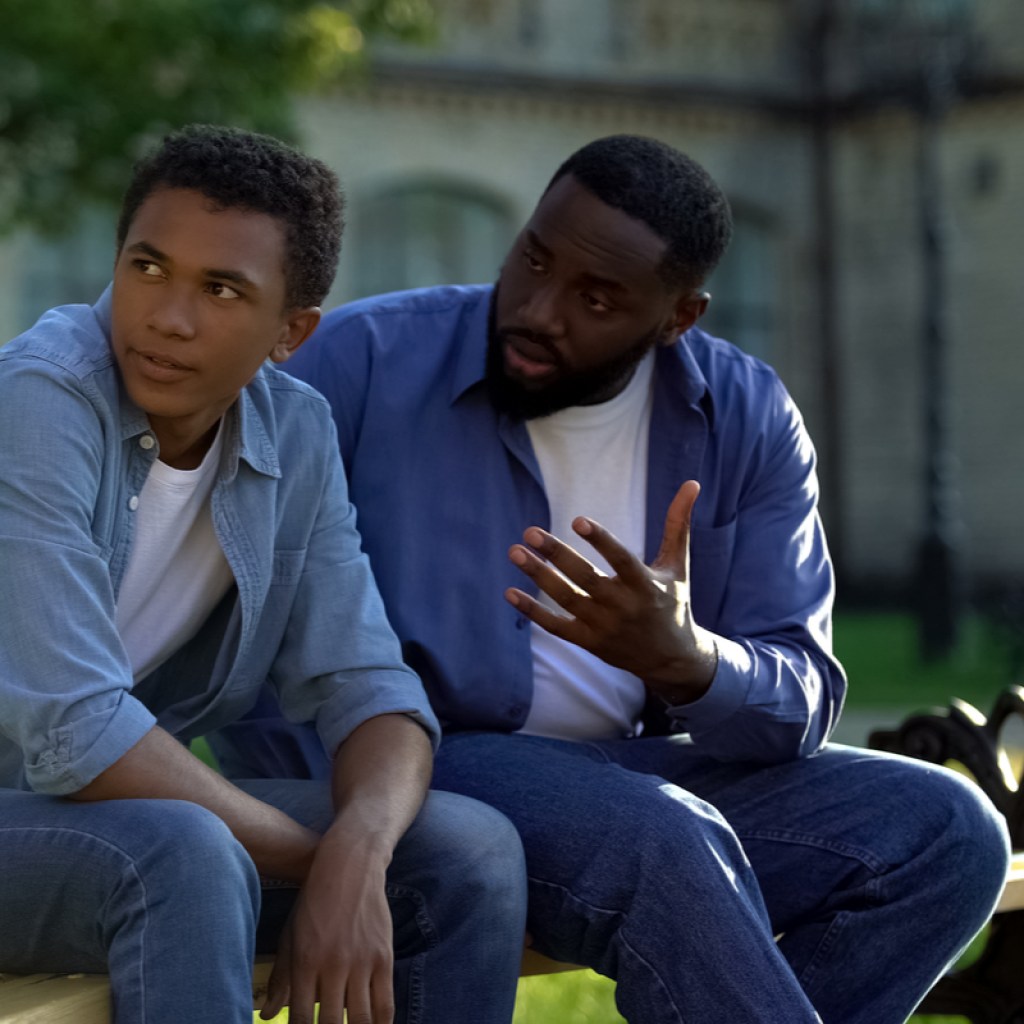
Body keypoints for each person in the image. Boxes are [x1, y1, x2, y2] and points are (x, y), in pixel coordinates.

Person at [212, 134, 1010, 1023]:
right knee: (658, 835)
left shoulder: (744, 416)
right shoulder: (361, 366)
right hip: (422, 769)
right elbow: (247, 618)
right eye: (534, 259)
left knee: (947, 830)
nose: (540, 311)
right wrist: (336, 822)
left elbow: (803, 694)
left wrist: (690, 661)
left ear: (678, 318)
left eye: (596, 299)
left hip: (641, 773)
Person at [0, 124, 527, 1024]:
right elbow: (79, 730)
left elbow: (368, 683)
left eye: (221, 289)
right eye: (148, 267)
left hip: (83, 821)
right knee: (183, 854)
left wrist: (359, 847)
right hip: (68, 818)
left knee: (465, 849)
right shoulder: (39, 400)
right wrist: (316, 861)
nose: (167, 316)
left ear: (292, 332)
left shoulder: (295, 431)